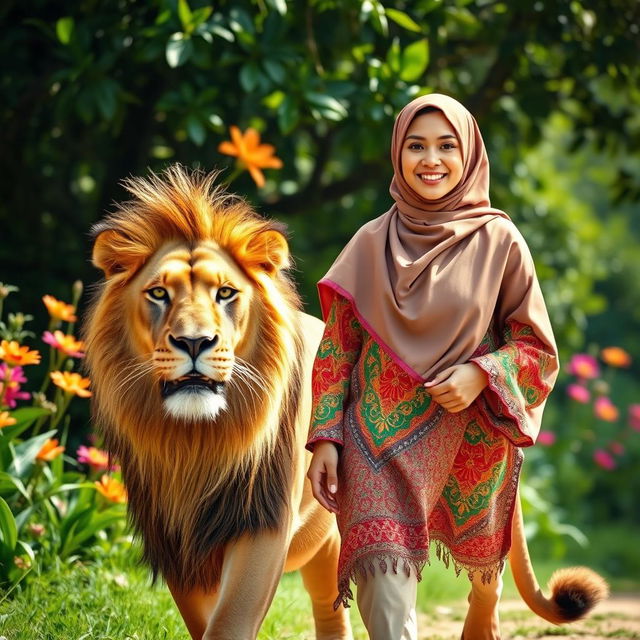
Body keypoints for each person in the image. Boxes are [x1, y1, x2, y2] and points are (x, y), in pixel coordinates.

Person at [306, 93, 559, 640]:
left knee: (479, 562)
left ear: (468, 154)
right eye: (416, 146)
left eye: (447, 146)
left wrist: (481, 375)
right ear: (397, 154)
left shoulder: (500, 242)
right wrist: (325, 437)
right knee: (383, 574)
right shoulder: (370, 242)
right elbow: (336, 350)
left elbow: (537, 351)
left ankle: (483, 607)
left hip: (468, 440)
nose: (431, 160)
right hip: (375, 443)